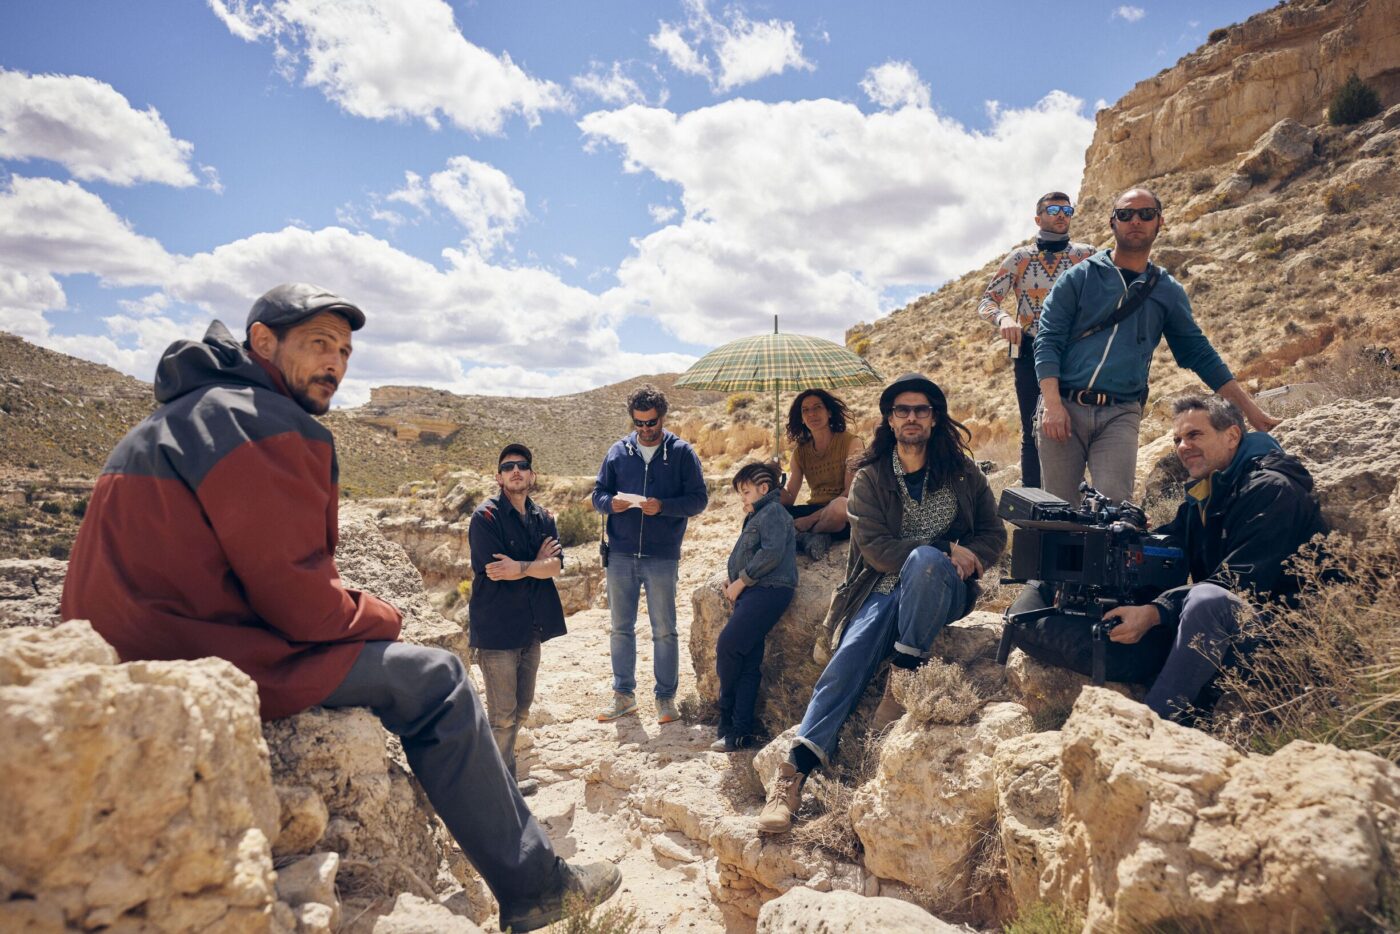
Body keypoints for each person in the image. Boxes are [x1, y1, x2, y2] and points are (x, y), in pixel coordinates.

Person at [60, 283, 619, 931]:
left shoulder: (182, 413)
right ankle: (538, 887)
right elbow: (300, 605)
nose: (336, 363)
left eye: (346, 351)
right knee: (437, 679)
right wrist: (383, 616)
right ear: (262, 341)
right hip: (197, 658)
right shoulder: (261, 421)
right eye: (319, 344)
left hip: (123, 657)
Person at [757, 373, 1006, 834]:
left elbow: (994, 532)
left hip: (942, 589)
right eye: (902, 410)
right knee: (847, 661)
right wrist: (945, 546)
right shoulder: (871, 477)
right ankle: (791, 777)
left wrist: (969, 556)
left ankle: (904, 674)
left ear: (934, 418)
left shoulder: (961, 473)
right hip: (881, 586)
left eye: (922, 410)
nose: (912, 418)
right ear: (890, 420)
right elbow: (874, 547)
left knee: (928, 563)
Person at [1033, 187, 1281, 505]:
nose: (1135, 220)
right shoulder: (1078, 278)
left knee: (1114, 509)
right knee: (1058, 511)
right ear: (1113, 223)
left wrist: (1251, 413)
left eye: (1145, 214)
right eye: (1125, 214)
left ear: (1159, 222)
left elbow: (1199, 353)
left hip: (1120, 412)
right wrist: (1052, 406)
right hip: (1063, 406)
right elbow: (1048, 340)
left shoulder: (1166, 290)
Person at [1101, 395, 1324, 721]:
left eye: (1194, 435)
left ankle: (1152, 729)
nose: (1182, 447)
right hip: (1228, 632)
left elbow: (1238, 581)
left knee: (1206, 600)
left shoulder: (1273, 490)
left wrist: (1155, 612)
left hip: (1288, 637)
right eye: (1178, 439)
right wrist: (1124, 539)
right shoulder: (1204, 495)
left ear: (1232, 436)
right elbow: (1171, 545)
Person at [592, 384, 709, 724]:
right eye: (639, 423)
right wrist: (608, 504)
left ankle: (665, 700)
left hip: (662, 555)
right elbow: (598, 493)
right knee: (620, 628)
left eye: (651, 423)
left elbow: (699, 500)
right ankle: (623, 696)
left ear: (663, 417)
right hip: (621, 555)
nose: (645, 429)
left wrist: (664, 508)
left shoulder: (683, 453)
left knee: (664, 629)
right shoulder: (617, 452)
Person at [975, 191, 1094, 488]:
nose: (1062, 215)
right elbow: (987, 301)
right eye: (1054, 209)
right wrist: (1004, 319)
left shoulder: (1087, 255)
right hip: (1031, 350)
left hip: (1076, 352)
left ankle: (1077, 504)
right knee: (1033, 428)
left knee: (1077, 426)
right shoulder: (1020, 258)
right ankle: (1033, 507)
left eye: (1068, 210)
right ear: (1038, 218)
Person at [469, 443, 567, 799]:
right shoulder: (486, 518)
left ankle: (505, 782)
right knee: (503, 716)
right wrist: (534, 564)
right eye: (508, 466)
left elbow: (554, 567)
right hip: (496, 632)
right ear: (498, 477)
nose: (516, 471)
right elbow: (497, 571)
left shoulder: (544, 518)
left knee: (521, 710)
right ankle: (498, 792)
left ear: (532, 475)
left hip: (531, 628)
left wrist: (520, 567)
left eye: (522, 465)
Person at [714, 461, 797, 753]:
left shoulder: (773, 511)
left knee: (728, 647)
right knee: (748, 662)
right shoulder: (757, 515)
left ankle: (725, 717)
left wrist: (741, 582)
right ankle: (738, 732)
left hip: (768, 590)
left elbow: (772, 553)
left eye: (746, 492)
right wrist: (734, 580)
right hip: (754, 592)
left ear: (764, 489)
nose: (743, 498)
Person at [779, 388, 864, 560]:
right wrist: (773, 481)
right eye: (805, 410)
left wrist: (809, 520)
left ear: (829, 412)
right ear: (801, 418)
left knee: (840, 506)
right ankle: (816, 536)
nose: (812, 414)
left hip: (843, 515)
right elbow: (788, 498)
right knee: (764, 514)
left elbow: (851, 494)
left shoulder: (851, 443)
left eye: (817, 407)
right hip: (815, 507)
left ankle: (809, 534)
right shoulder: (800, 453)